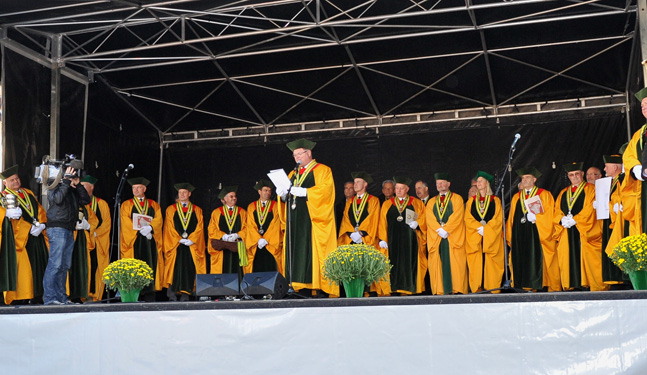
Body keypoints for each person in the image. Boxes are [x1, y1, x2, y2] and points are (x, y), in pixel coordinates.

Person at [276, 138, 338, 297]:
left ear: (308, 153)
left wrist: (306, 192)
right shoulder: (292, 174)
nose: (296, 157)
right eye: (294, 155)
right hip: (295, 220)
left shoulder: (322, 170)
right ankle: (296, 286)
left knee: (312, 252)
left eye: (299, 154)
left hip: (312, 220)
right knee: (295, 251)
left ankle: (318, 286)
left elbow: (326, 193)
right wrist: (283, 196)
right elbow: (287, 197)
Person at [553, 163, 608, 291]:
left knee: (588, 258)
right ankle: (571, 284)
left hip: (583, 230)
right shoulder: (563, 192)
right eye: (571, 175)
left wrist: (575, 220)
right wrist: (561, 219)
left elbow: (590, 208)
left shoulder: (591, 189)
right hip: (567, 231)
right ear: (568, 176)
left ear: (582, 174)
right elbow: (556, 210)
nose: (574, 177)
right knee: (567, 257)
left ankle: (588, 283)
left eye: (577, 174)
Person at [505, 167, 560, 292]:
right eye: (523, 178)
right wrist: (511, 235)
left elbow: (550, 214)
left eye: (527, 177)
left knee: (539, 258)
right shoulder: (516, 197)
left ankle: (544, 284)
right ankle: (525, 286)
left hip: (537, 233)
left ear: (534, 179)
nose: (524, 180)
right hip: (521, 233)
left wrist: (537, 218)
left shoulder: (544, 194)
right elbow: (511, 218)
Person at [43, 165, 91, 305]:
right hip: (57, 227)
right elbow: (57, 199)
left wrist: (77, 184)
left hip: (69, 228)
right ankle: (50, 298)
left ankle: (62, 298)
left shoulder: (70, 187)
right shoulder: (54, 184)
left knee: (64, 266)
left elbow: (86, 201)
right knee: (55, 264)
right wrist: (65, 181)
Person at [1, 165, 48, 305]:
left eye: (17, 178)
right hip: (20, 240)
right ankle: (20, 299)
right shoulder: (4, 198)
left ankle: (37, 296)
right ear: (5, 183)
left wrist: (42, 224)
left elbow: (39, 209)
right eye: (12, 180)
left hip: (36, 237)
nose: (16, 181)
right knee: (23, 272)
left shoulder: (28, 193)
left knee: (38, 268)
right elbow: (9, 222)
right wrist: (27, 229)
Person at [337, 172, 389, 296]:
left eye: (358, 182)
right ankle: (353, 291)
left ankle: (367, 292)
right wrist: (351, 233)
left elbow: (373, 218)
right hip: (352, 239)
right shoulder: (350, 201)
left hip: (366, 238)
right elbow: (345, 219)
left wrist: (361, 233)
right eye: (354, 182)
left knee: (366, 266)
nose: (355, 185)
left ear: (365, 184)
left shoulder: (373, 200)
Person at [378, 176, 427, 295]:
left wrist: (418, 223)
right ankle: (393, 289)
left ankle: (410, 288)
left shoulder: (416, 203)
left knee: (410, 264)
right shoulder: (387, 204)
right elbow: (382, 222)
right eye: (397, 188)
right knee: (393, 264)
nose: (399, 191)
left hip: (410, 242)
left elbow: (424, 218)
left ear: (407, 189)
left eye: (402, 188)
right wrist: (382, 238)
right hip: (392, 240)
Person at [120, 177, 164, 301]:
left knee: (150, 265)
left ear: (144, 189)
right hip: (134, 240)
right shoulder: (126, 204)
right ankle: (134, 295)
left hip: (150, 240)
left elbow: (159, 219)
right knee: (134, 266)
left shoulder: (153, 204)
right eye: (134, 188)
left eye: (138, 187)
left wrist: (150, 228)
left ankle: (150, 294)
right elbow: (125, 220)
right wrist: (138, 231)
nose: (136, 190)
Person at [425, 173, 468, 295]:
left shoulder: (457, 199)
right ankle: (440, 290)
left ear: (449, 184)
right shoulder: (432, 201)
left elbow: (458, 216)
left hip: (452, 237)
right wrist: (439, 230)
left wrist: (447, 229)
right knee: (438, 265)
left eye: (442, 182)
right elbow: (429, 218)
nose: (439, 185)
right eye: (437, 183)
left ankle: (456, 289)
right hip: (438, 237)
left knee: (456, 265)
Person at [163, 183, 206, 301]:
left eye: (184, 192)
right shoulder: (171, 209)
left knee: (189, 268)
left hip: (191, 245)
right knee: (174, 268)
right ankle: (171, 295)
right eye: (180, 192)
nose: (182, 194)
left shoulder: (197, 210)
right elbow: (169, 227)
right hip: (176, 245)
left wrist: (192, 239)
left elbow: (200, 227)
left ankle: (186, 295)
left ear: (189, 194)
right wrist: (178, 239)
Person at [465, 171, 504, 293]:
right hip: (476, 237)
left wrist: (486, 230)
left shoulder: (495, 200)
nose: (478, 183)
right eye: (478, 181)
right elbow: (468, 218)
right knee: (476, 261)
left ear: (487, 183)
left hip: (490, 238)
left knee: (491, 262)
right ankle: (477, 287)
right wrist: (479, 228)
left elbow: (498, 219)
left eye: (481, 180)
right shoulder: (472, 201)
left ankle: (491, 287)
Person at [80, 175, 111, 301]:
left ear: (91, 187)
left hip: (97, 241)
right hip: (81, 241)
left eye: (83, 185)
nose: (80, 188)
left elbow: (106, 224)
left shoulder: (101, 204)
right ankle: (80, 294)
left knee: (95, 267)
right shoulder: (77, 201)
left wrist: (92, 231)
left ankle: (95, 295)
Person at [599, 155, 628, 287]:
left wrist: (614, 204)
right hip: (610, 220)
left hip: (620, 220)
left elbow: (620, 197)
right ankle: (615, 280)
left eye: (607, 166)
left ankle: (622, 280)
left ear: (615, 167)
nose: (604, 169)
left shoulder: (622, 180)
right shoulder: (610, 182)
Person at [207, 186, 247, 279]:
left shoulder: (242, 212)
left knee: (238, 269)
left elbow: (247, 228)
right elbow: (211, 229)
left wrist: (237, 235)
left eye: (235, 196)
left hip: (237, 246)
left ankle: (239, 290)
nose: (234, 198)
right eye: (231, 196)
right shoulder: (216, 213)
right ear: (224, 199)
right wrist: (223, 236)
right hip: (222, 247)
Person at [622, 87, 647, 235]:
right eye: (642, 106)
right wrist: (636, 169)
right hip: (643, 187)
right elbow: (628, 156)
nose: (644, 108)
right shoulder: (640, 134)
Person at [245, 179, 283, 274]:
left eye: (270, 191)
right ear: (259, 191)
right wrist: (258, 239)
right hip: (256, 244)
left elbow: (276, 224)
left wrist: (266, 239)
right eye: (265, 190)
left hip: (271, 243)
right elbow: (250, 225)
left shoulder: (276, 205)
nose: (268, 192)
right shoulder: (251, 207)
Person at [68, 196, 98, 302]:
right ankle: (68, 295)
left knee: (82, 266)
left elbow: (94, 220)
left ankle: (80, 294)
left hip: (82, 239)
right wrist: (72, 225)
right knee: (69, 266)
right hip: (69, 237)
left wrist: (89, 226)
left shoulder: (85, 206)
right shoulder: (64, 202)